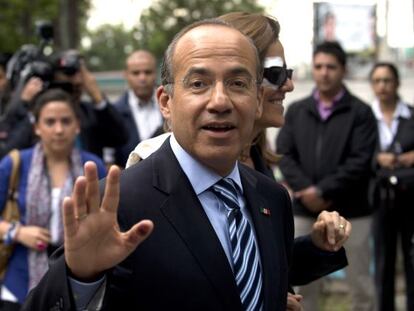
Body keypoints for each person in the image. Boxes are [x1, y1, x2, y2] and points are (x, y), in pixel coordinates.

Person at [22, 18, 295, 311]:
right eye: (199, 84)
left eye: (237, 83)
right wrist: (81, 278)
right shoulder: (116, 205)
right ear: (166, 102)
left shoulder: (273, 199)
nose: (219, 101)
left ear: (256, 100)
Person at [276, 41, 377, 311]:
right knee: (302, 287)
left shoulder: (361, 112)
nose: (324, 72)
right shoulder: (296, 110)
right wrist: (306, 190)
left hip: (352, 212)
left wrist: (321, 192)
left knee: (360, 285)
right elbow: (284, 153)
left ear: (342, 70)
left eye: (331, 67)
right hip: (304, 211)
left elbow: (360, 161)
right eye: (318, 66)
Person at [0, 89, 106, 310]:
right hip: (19, 281)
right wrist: (18, 232)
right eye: (50, 122)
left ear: (77, 125)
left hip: (75, 282)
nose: (58, 130)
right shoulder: (16, 164)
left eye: (66, 121)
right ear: (37, 127)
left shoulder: (92, 167)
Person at [2, 50, 129, 160]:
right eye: (71, 73)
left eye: (83, 73)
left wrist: (97, 97)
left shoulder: (89, 112)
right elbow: (10, 153)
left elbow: (121, 138)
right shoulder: (33, 114)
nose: (78, 79)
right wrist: (27, 105)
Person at [369, 62, 414, 311]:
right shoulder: (365, 117)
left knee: (411, 257)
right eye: (377, 81)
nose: (383, 86)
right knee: (383, 260)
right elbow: (359, 152)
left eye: (387, 80)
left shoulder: (410, 115)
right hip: (379, 198)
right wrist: (377, 158)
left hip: (410, 195)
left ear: (397, 83)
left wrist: (407, 158)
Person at [110, 50, 163, 167]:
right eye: (136, 73)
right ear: (126, 75)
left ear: (156, 73)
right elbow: (110, 160)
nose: (142, 78)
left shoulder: (172, 105)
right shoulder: (114, 113)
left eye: (147, 72)